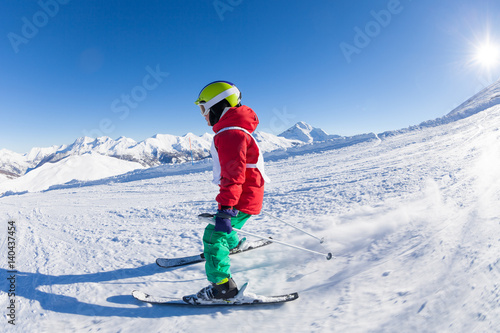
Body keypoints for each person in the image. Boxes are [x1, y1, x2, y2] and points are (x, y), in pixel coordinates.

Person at [192, 80, 270, 301]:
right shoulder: (232, 131)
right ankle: (233, 244)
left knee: (213, 235)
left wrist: (226, 208)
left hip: (241, 198)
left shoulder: (230, 134)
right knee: (221, 226)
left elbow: (234, 174)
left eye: (204, 108)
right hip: (244, 194)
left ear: (219, 106)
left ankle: (223, 288)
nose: (203, 115)